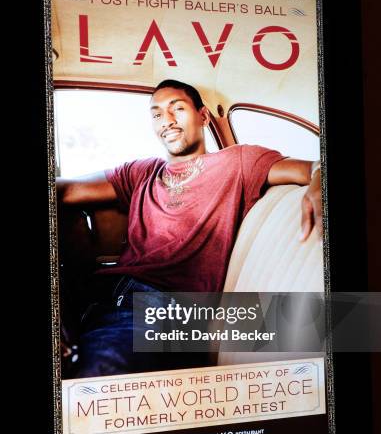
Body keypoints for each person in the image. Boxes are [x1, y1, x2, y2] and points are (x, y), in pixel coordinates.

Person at [57, 79, 322, 378]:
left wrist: (318, 183)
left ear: (203, 116)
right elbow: (65, 191)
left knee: (102, 373)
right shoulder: (143, 171)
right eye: (156, 114)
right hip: (105, 292)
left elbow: (312, 167)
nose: (166, 121)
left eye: (177, 109)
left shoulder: (238, 161)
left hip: (166, 307)